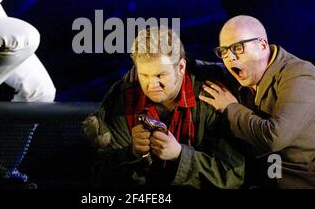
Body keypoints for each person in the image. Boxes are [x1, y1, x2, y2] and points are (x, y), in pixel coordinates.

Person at [200, 15, 315, 188]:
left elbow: (275, 138)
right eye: (224, 51)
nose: (230, 58)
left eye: (238, 48)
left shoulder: (300, 74)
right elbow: (210, 67)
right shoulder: (248, 75)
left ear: (262, 45)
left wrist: (230, 108)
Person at [83, 27, 245, 189]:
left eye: (160, 75)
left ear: (181, 67)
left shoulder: (212, 96)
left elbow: (233, 175)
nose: (152, 85)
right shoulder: (124, 98)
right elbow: (99, 174)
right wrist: (131, 153)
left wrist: (180, 155)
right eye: (144, 75)